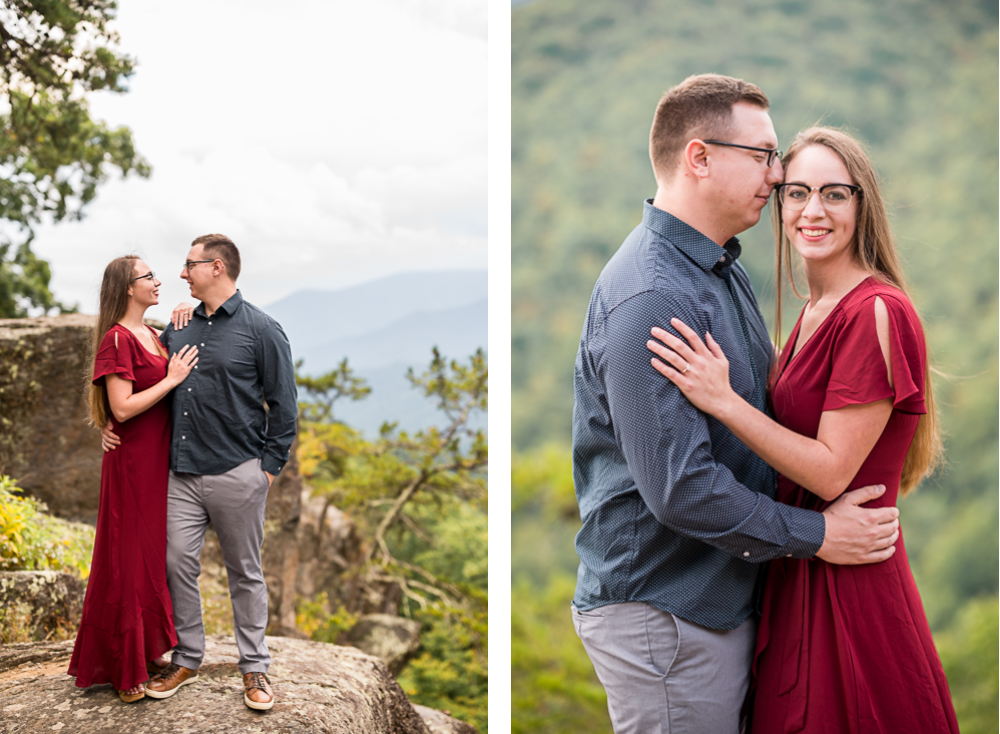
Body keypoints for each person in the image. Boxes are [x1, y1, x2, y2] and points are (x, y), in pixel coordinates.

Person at [571, 74, 902, 734]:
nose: (777, 176)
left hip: (712, 600)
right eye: (763, 156)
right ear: (699, 157)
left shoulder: (716, 267)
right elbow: (681, 489)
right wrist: (820, 537)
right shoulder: (654, 297)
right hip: (668, 614)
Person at [646, 127, 959, 733]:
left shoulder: (874, 311)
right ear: (780, 204)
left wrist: (723, 401)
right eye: (798, 193)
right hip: (802, 564)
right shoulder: (812, 311)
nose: (813, 211)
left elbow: (832, 468)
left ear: (862, 206)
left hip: (850, 584)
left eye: (835, 195)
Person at [101, 234, 297, 710]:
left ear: (217, 268)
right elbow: (145, 383)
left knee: (245, 574)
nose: (182, 274)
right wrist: (109, 423)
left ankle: (255, 669)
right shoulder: (177, 328)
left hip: (239, 473)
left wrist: (265, 472)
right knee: (175, 566)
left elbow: (284, 407)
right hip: (181, 476)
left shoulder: (262, 329)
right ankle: (188, 657)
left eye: (190, 265)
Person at [69, 256, 199, 703]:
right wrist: (173, 379)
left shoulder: (154, 335)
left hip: (158, 461)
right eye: (149, 277)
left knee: (149, 557)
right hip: (132, 463)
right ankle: (125, 668)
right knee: (126, 557)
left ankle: (143, 650)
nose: (158, 281)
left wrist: (185, 307)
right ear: (127, 287)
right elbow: (122, 408)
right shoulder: (116, 339)